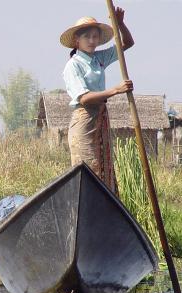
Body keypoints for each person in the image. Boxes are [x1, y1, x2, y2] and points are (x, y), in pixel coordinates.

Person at [60, 8, 134, 192]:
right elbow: (84, 98)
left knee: (104, 169)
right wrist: (116, 90)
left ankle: (105, 215)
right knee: (88, 172)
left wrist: (120, 24)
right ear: (77, 41)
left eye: (95, 37)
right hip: (84, 122)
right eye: (88, 37)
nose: (92, 41)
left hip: (100, 119)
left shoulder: (99, 59)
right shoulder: (73, 65)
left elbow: (127, 43)